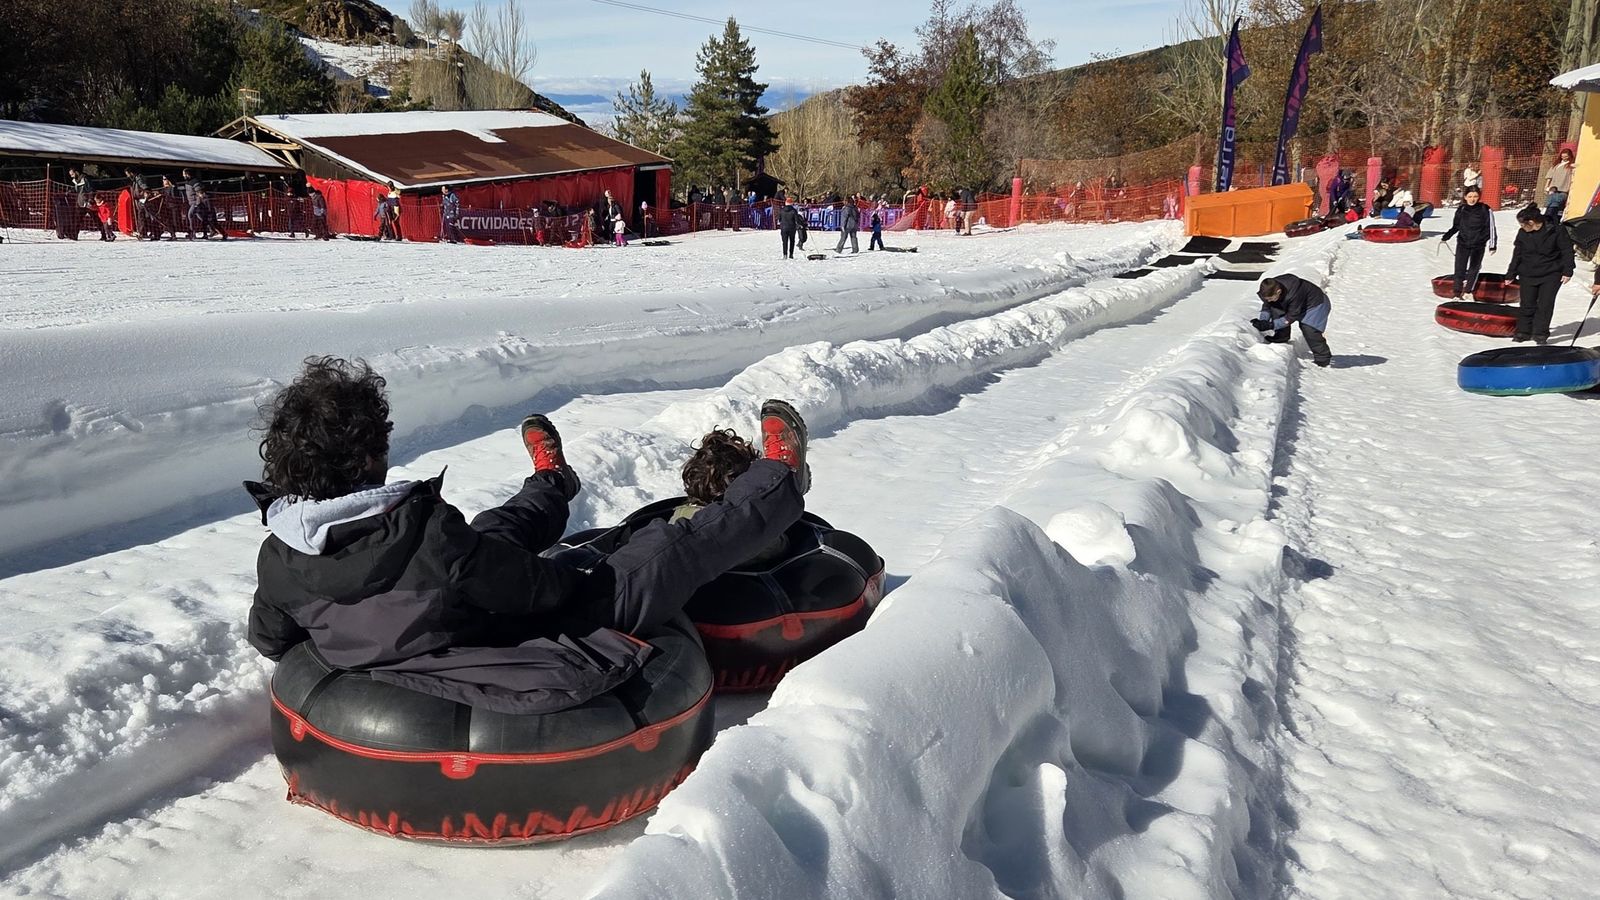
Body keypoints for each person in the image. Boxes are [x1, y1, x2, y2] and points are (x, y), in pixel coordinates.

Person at [242, 356, 809, 715]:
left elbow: (271, 638)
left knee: (491, 531)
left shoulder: (282, 552)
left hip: (446, 614)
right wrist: (585, 572)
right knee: (663, 550)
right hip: (492, 645)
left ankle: (550, 481)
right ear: (370, 455)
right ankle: (779, 480)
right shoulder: (426, 535)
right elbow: (540, 592)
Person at [1506, 203, 1575, 344]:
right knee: (1527, 304)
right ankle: (1523, 332)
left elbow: (1567, 250)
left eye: (1523, 224)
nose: (1521, 227)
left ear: (1531, 222)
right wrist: (1511, 273)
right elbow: (1517, 254)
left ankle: (1540, 334)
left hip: (1551, 273)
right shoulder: (1523, 233)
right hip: (1528, 272)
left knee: (1545, 304)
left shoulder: (1556, 230)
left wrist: (1568, 270)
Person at [1250, 273, 1333, 368]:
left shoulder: (1295, 292)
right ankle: (1281, 336)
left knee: (1309, 330)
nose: (1268, 300)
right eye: (1266, 299)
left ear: (1278, 291)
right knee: (1275, 307)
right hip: (1294, 304)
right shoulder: (1268, 288)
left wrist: (1270, 325)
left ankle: (1323, 359)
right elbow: (1267, 306)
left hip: (1315, 305)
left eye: (1270, 298)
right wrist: (1263, 321)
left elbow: (1291, 317)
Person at [1440, 184, 1498, 300]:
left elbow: (1491, 227)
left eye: (1475, 196)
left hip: (1478, 244)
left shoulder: (1485, 209)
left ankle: (1468, 291)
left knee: (1474, 268)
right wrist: (1447, 236)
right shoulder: (1461, 209)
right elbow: (1456, 226)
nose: (1472, 199)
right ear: (1465, 197)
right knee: (1459, 268)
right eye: (1470, 196)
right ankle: (1457, 292)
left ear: (1479, 197)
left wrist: (1493, 245)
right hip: (1463, 242)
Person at [1545, 147, 1575, 223]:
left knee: (1558, 205)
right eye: (1562, 156)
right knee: (1551, 204)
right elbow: (1549, 176)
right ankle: (1549, 220)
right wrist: (1546, 186)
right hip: (1553, 189)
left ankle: (1554, 220)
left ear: (1569, 156)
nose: (1564, 158)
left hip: (1564, 189)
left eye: (1566, 156)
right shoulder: (1556, 165)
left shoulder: (1571, 165)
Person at [124, 168, 146, 238]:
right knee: (141, 216)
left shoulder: (139, 179)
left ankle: (142, 232)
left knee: (142, 216)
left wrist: (145, 190)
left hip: (142, 199)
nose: (127, 176)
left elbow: (143, 186)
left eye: (128, 174)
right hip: (138, 199)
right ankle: (143, 232)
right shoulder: (134, 180)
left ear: (131, 173)